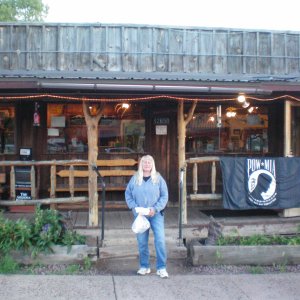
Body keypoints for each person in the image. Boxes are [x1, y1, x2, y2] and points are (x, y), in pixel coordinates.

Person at [125, 155, 169, 278]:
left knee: (160, 240)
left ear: (152, 164)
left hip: (156, 214)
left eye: (149, 162)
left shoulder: (158, 178)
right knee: (142, 242)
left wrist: (155, 209)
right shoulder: (135, 178)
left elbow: (164, 196)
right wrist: (134, 208)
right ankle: (144, 266)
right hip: (140, 215)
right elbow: (128, 194)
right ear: (141, 164)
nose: (147, 164)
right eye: (144, 162)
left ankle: (161, 268)